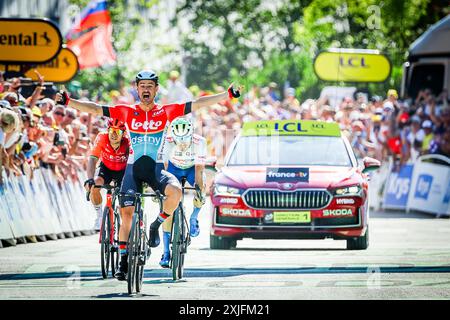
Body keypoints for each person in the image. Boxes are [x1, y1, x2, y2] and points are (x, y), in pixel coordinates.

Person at [56, 70, 242, 280]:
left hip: (155, 169)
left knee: (176, 192)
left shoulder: (166, 111)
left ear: (156, 89)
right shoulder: (126, 111)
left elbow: (198, 103)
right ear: (137, 89)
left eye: (149, 86)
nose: (146, 89)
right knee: (126, 214)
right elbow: (96, 109)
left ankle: (155, 226)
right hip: (133, 169)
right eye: (142, 86)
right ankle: (124, 260)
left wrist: (227, 95)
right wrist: (69, 101)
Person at [157, 117, 207, 268]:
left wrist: (199, 190)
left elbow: (199, 169)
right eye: (180, 141)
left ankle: (193, 217)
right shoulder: (168, 140)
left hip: (192, 168)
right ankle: (166, 252)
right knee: (167, 207)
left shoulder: (200, 142)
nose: (183, 144)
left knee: (202, 186)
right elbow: (164, 168)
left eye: (186, 140)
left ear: (191, 134)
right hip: (173, 168)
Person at [84, 118, 130, 231]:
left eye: (118, 131)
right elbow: (92, 159)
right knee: (94, 184)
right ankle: (99, 216)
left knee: (125, 198)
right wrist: (89, 179)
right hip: (106, 169)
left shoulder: (128, 142)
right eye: (111, 131)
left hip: (123, 171)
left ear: (123, 133)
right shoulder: (101, 137)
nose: (114, 134)